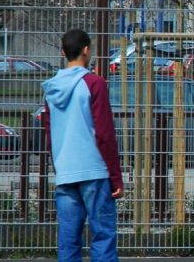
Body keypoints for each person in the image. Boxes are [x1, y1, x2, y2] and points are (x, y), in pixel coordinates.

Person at [41, 29, 123, 262]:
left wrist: (59, 166)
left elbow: (50, 132)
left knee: (68, 238)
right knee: (103, 235)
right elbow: (105, 134)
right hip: (94, 170)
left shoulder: (52, 88)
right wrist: (115, 177)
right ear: (87, 50)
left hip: (66, 171)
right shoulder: (94, 83)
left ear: (64, 52)